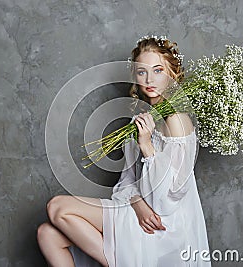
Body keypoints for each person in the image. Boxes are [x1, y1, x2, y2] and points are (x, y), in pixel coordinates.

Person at [37, 35, 211, 267]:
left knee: (57, 207)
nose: (149, 79)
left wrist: (147, 145)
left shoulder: (177, 121)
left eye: (158, 70)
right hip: (137, 210)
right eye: (142, 72)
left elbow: (168, 201)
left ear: (172, 73)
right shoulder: (138, 118)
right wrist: (137, 203)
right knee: (46, 234)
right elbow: (126, 181)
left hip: (164, 226)